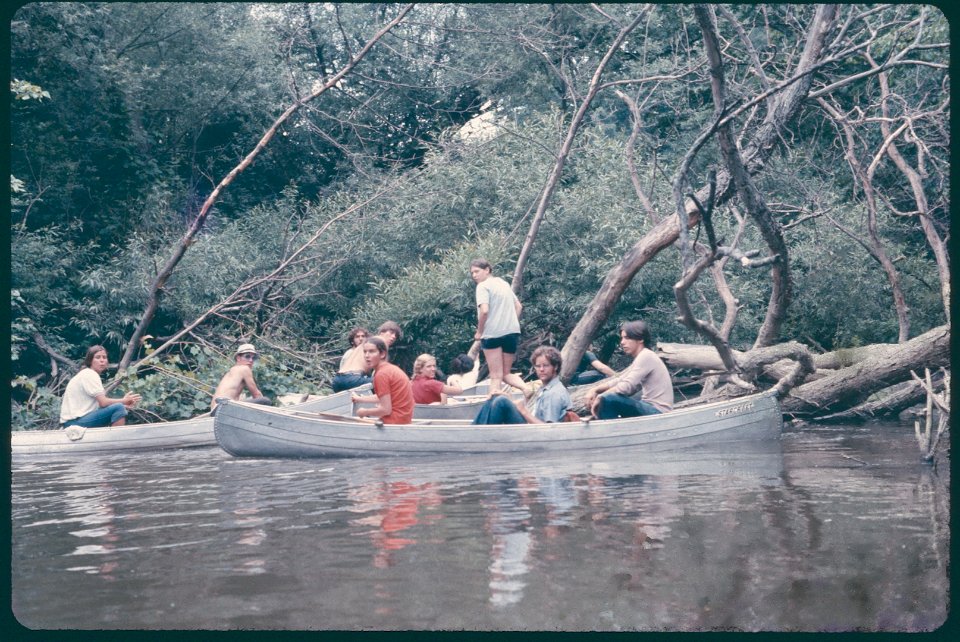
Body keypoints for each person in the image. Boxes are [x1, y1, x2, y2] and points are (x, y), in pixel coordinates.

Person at [584, 321, 673, 419]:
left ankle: (608, 431)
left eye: (627, 338)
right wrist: (595, 389)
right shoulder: (643, 356)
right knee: (609, 397)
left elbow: (625, 387)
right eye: (622, 338)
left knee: (608, 398)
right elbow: (621, 379)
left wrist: (601, 396)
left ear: (640, 339)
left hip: (658, 411)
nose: (622, 342)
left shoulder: (646, 356)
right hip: (649, 407)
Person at [470, 258, 531, 398]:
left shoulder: (483, 286)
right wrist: (510, 322)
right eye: (472, 273)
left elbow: (484, 311)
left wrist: (479, 331)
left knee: (496, 376)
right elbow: (519, 306)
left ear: (487, 270)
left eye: (477, 271)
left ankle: (492, 407)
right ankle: (526, 388)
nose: (474, 275)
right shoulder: (503, 283)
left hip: (492, 334)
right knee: (505, 374)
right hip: (511, 332)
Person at [473, 346, 570, 425]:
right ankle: (474, 432)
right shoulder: (545, 388)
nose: (541, 369)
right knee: (496, 396)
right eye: (538, 366)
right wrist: (511, 401)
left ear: (556, 366)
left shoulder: (553, 394)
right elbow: (532, 412)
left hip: (535, 435)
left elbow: (549, 431)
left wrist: (523, 411)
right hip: (530, 426)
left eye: (546, 365)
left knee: (501, 401)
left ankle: (477, 436)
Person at [59, 345, 142, 428]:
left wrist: (124, 404)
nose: (102, 360)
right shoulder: (90, 374)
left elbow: (99, 406)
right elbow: (103, 403)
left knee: (120, 408)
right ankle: (116, 440)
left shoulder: (87, 373)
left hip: (76, 421)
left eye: (104, 357)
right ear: (90, 360)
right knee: (119, 408)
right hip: (74, 423)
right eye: (98, 357)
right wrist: (124, 401)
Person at [351, 336, 414, 424]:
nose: (367, 356)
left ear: (382, 354)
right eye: (365, 352)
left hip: (394, 422)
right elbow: (384, 396)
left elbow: (386, 410)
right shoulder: (390, 369)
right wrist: (360, 399)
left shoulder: (382, 374)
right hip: (404, 420)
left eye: (371, 351)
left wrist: (364, 412)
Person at [211, 344, 272, 413]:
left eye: (253, 358)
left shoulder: (233, 370)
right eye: (247, 356)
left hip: (217, 407)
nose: (251, 360)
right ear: (238, 358)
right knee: (265, 401)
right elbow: (257, 395)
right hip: (223, 407)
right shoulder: (244, 369)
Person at [331, 327, 371, 392]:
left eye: (363, 336)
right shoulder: (350, 353)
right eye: (357, 337)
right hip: (350, 381)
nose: (361, 339)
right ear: (352, 341)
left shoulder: (364, 351)